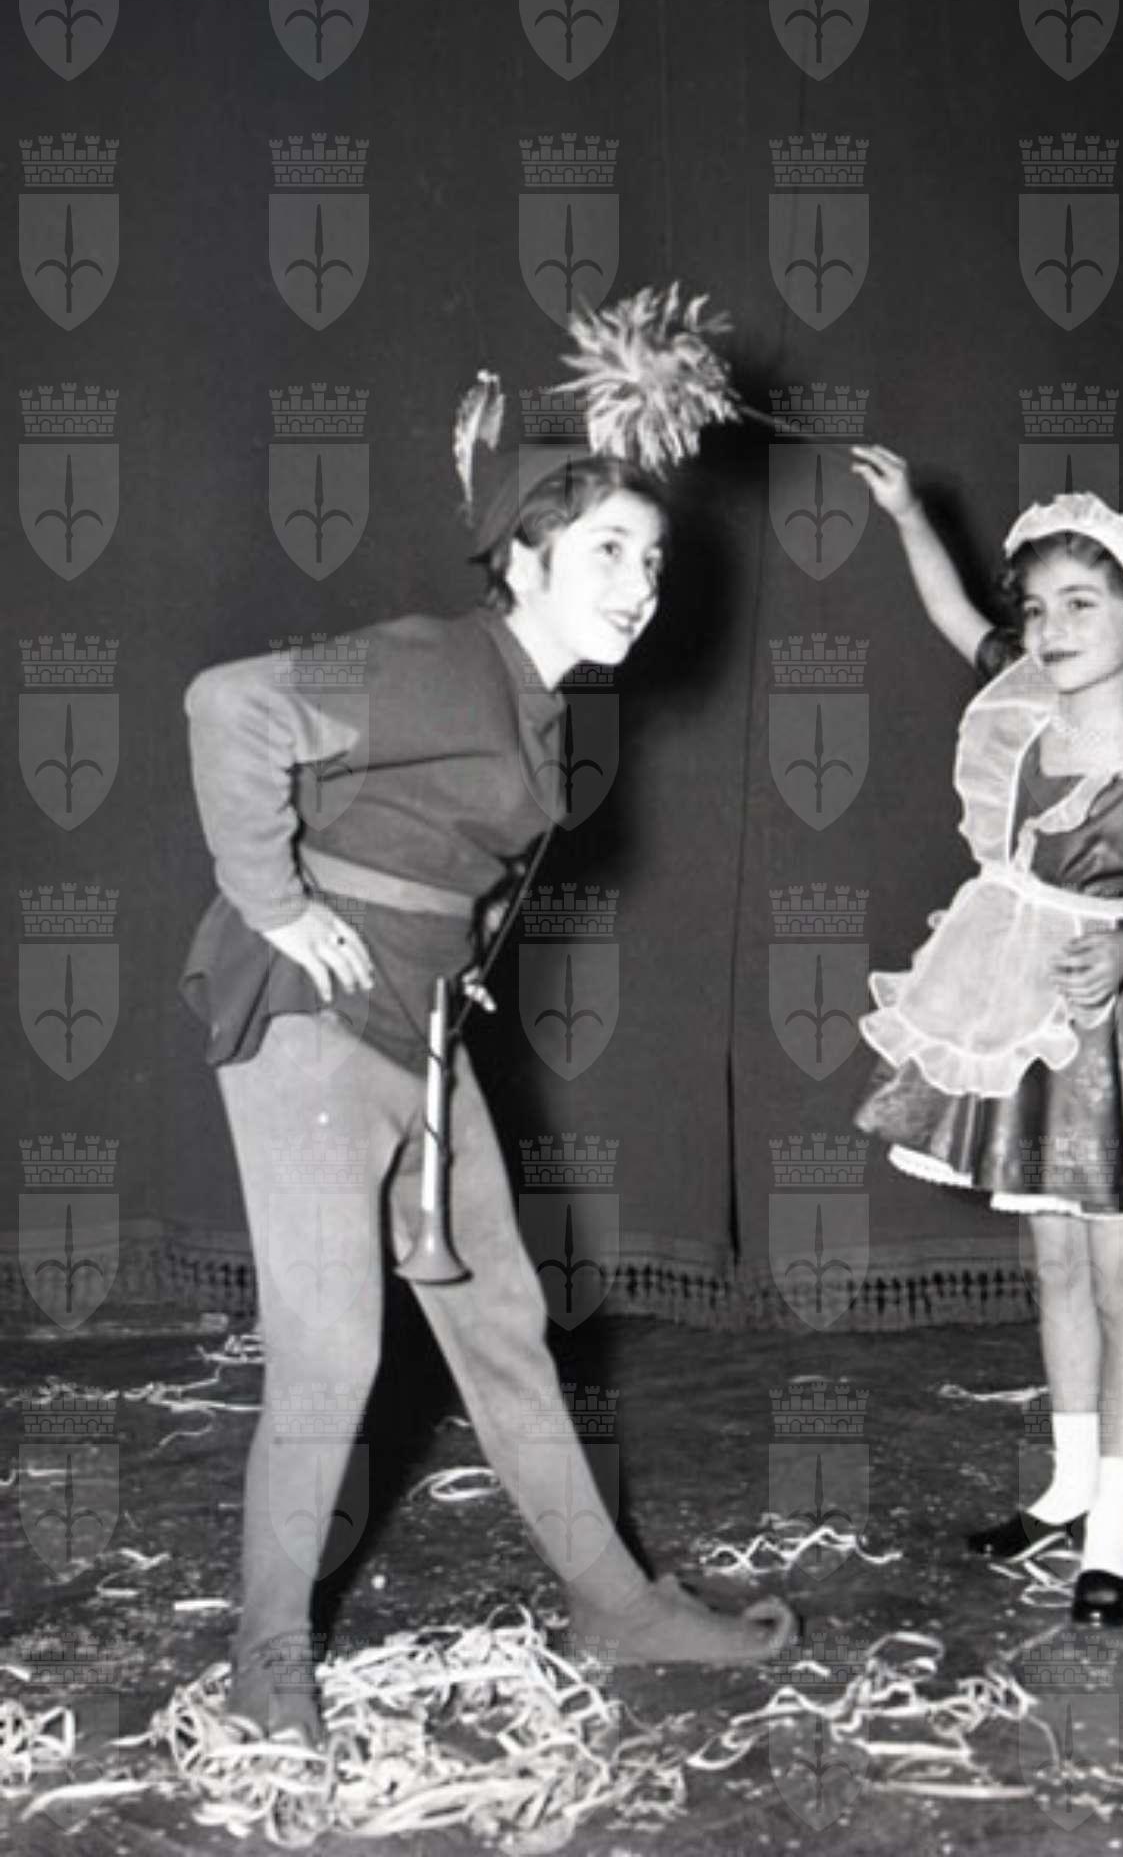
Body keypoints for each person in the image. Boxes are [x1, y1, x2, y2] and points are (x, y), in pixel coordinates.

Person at [179, 452, 795, 1745]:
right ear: (522, 556)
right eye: (608, 550)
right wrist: (274, 906)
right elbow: (229, 703)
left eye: (652, 558)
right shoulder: (438, 660)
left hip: (418, 1026)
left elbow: (437, 844)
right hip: (313, 1022)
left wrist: (453, 963)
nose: (640, 584)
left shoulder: (530, 694)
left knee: (501, 1319)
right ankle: (265, 1657)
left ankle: (615, 1604)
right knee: (332, 1350)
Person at [847, 452, 1123, 1627]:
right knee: (1053, 1266)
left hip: (1117, 1038)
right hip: (1017, 1018)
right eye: (1036, 608)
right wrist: (907, 511)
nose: (1049, 627)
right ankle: (1067, 1486)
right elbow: (952, 613)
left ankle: (1115, 1533)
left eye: (1082, 603)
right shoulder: (1021, 713)